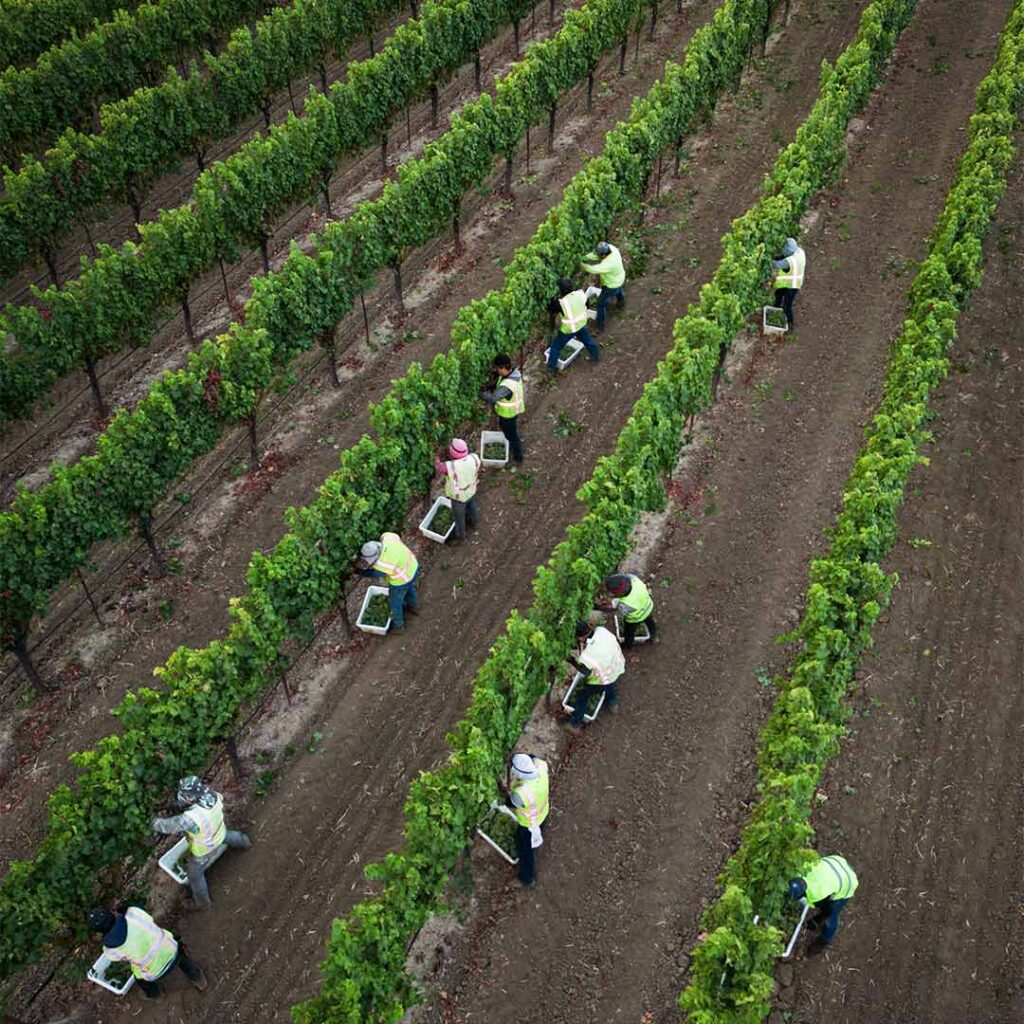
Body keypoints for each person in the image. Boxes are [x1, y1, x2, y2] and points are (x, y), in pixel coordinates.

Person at [152, 776, 251, 908]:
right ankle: (245, 842)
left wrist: (154, 823)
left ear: (189, 798)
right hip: (219, 832)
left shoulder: (190, 818)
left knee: (194, 875)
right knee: (229, 837)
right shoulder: (213, 795)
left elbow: (169, 826)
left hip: (205, 848)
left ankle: (203, 902)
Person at [87, 905, 207, 1000]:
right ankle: (197, 977)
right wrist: (126, 908)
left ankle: (156, 995)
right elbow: (145, 916)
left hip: (155, 973)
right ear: (112, 914)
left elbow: (115, 958)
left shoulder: (111, 949)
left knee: (140, 979)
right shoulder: (133, 913)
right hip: (172, 949)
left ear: (99, 932)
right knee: (180, 955)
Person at [788, 853, 858, 954]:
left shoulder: (817, 892)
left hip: (847, 882)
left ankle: (824, 940)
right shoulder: (801, 869)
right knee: (825, 910)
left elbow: (812, 903)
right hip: (835, 863)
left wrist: (825, 911)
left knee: (830, 914)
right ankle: (816, 921)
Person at [564, 620, 625, 734]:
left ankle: (574, 724)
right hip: (616, 665)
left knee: (582, 697)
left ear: (581, 638)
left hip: (602, 678)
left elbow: (585, 671)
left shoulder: (588, 656)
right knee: (611, 684)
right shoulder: (602, 631)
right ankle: (613, 703)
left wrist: (572, 661)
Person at [356, 532, 420, 632]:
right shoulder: (389, 538)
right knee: (409, 588)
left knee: (395, 602)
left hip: (401, 580)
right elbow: (385, 535)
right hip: (413, 566)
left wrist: (359, 572)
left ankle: (398, 626)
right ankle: (414, 607)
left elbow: (374, 574)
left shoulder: (382, 564)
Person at [503, 752, 549, 887]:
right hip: (543, 812)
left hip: (529, 825)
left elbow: (509, 802)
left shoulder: (521, 794)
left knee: (526, 851)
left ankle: (527, 878)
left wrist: (504, 789)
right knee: (522, 839)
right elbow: (533, 756)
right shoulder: (541, 767)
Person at [546, 277, 599, 373]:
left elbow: (550, 309)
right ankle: (595, 356)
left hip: (568, 330)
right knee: (588, 341)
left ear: (561, 290)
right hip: (581, 325)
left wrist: (551, 299)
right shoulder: (580, 294)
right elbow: (587, 305)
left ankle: (551, 369)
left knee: (555, 347)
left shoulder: (561, 303)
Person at [479, 353, 525, 464]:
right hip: (513, 411)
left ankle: (518, 457)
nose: (495, 370)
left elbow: (493, 398)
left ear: (503, 368)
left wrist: (481, 393)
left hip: (508, 415)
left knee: (511, 435)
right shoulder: (514, 373)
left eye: (496, 368)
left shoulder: (506, 386)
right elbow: (499, 380)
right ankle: (515, 449)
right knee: (511, 432)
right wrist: (490, 385)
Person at [434, 438, 480, 542]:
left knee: (459, 518)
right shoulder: (474, 458)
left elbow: (438, 466)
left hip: (458, 498)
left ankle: (461, 536)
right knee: (472, 506)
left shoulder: (450, 466)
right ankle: (474, 522)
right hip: (471, 491)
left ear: (452, 453)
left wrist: (436, 456)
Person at [601, 573, 656, 647]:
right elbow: (627, 575)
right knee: (650, 623)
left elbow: (617, 613)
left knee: (629, 632)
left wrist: (602, 608)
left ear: (619, 594)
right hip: (647, 607)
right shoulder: (635, 580)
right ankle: (654, 636)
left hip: (635, 618)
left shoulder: (626, 603)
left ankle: (628, 644)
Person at [581, 240, 626, 330]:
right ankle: (621, 303)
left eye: (599, 254)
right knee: (619, 290)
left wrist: (583, 264)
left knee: (600, 305)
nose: (597, 255)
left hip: (612, 285)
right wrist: (586, 257)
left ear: (604, 255)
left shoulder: (609, 264)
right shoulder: (612, 248)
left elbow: (593, 269)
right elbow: (596, 255)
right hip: (620, 277)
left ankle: (600, 326)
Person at [772, 235, 806, 330]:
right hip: (787, 282)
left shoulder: (789, 261)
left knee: (787, 305)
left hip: (793, 285)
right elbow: (783, 256)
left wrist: (766, 259)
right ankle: (776, 308)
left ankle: (790, 323)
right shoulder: (800, 252)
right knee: (778, 294)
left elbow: (775, 264)